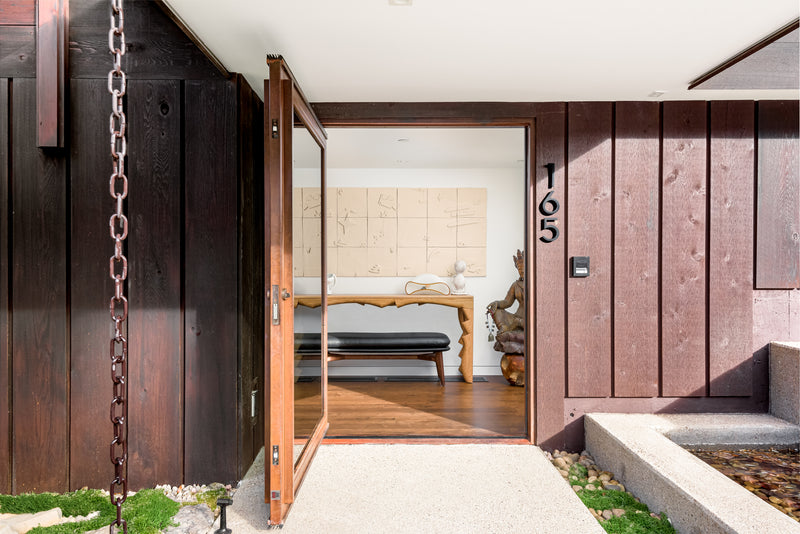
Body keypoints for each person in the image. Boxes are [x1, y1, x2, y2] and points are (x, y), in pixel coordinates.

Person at [487, 249, 525, 334]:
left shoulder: (536, 284)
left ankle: (516, 324)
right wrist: (497, 303)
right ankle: (505, 327)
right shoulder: (515, 285)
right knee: (497, 311)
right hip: (517, 316)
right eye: (519, 268)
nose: (521, 271)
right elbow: (508, 302)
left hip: (531, 320)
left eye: (524, 268)